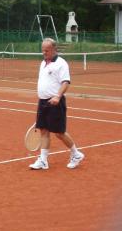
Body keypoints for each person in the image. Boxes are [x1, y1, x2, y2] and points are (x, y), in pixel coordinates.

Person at [29, 38, 84, 170]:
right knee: (44, 131)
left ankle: (76, 154)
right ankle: (43, 161)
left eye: (46, 50)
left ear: (54, 49)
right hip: (42, 102)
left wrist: (58, 96)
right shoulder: (43, 63)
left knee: (59, 132)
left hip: (55, 102)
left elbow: (65, 82)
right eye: (43, 50)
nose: (44, 52)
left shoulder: (61, 63)